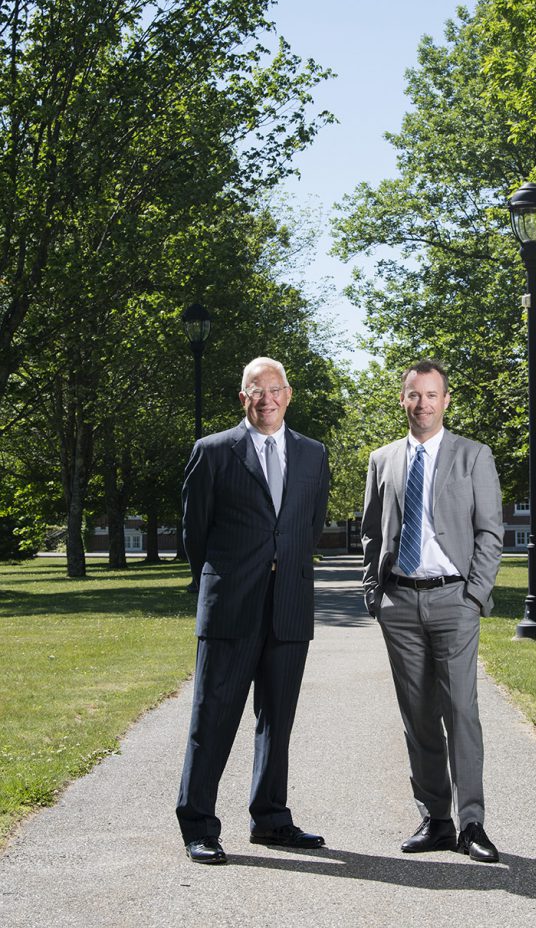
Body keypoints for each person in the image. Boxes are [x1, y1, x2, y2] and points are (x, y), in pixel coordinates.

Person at [176, 357, 330, 864]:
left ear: (289, 394)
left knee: (277, 720)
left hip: (288, 607)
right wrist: (224, 581)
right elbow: (194, 534)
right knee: (212, 718)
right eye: (255, 389)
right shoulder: (214, 452)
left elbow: (307, 527)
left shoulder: (312, 454)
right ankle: (199, 824)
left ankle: (270, 819)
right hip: (230, 609)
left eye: (274, 388)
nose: (266, 397)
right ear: (242, 398)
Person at [361, 359, 503, 863]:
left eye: (431, 395)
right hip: (399, 602)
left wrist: (474, 595)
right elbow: (372, 532)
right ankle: (436, 819)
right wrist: (374, 593)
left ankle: (473, 824)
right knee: (417, 717)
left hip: (453, 600)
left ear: (445, 401)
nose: (422, 403)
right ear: (403, 399)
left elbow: (490, 533)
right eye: (413, 394)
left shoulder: (473, 456)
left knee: (461, 712)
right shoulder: (382, 459)